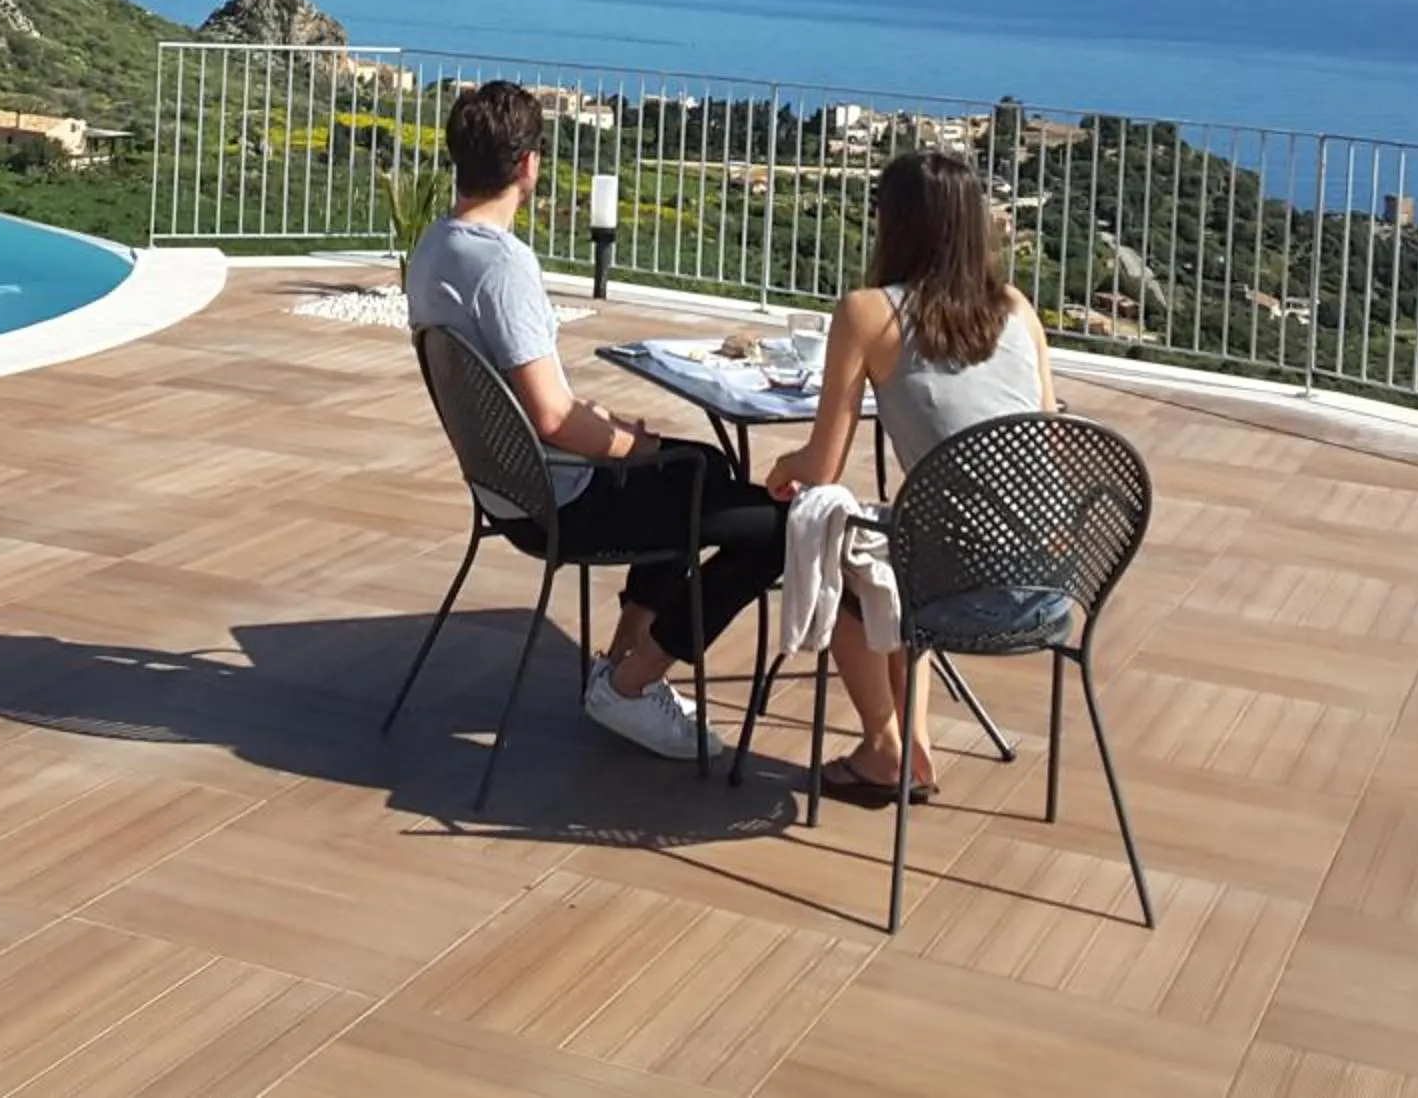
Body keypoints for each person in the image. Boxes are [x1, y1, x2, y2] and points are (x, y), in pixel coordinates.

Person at [406, 80, 787, 761]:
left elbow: (531, 402)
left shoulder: (434, 249)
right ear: (529, 165)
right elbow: (552, 418)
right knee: (771, 529)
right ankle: (633, 688)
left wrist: (614, 431)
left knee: (701, 468)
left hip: (507, 485)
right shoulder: (502, 267)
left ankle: (619, 662)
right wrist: (631, 444)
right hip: (558, 501)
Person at [766, 148, 1057, 803]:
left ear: (893, 223)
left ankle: (885, 746)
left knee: (834, 542)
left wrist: (780, 471)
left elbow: (821, 468)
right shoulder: (1016, 307)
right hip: (1047, 581)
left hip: (953, 581)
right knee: (898, 544)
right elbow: (1045, 436)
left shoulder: (869, 313)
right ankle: (910, 748)